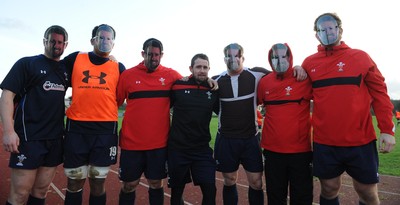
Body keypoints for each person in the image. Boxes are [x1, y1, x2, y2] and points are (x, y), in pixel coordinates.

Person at [301, 12, 396, 205]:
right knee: (329, 188)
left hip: (360, 140)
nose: (327, 32)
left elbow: (380, 94)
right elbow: (298, 93)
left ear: (340, 30)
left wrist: (387, 129)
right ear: (316, 34)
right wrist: (295, 70)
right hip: (325, 141)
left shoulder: (360, 57)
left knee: (366, 191)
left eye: (331, 27)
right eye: (322, 29)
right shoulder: (309, 63)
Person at [116, 38, 218, 205]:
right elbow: (115, 102)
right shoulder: (127, 75)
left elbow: (191, 81)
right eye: (150, 54)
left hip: (158, 145)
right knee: (129, 185)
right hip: (131, 144)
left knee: (156, 184)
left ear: (161, 55)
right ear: (143, 54)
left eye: (157, 55)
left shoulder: (171, 76)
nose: (153, 58)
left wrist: (209, 80)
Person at [212, 43, 307, 205]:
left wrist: (298, 67)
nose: (233, 59)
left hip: (250, 138)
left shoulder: (257, 75)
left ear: (243, 57)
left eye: (236, 56)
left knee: (256, 182)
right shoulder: (215, 81)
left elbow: (282, 74)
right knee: (229, 179)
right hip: (226, 139)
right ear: (224, 58)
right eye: (229, 56)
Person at [0, 25, 68, 205]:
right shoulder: (27, 64)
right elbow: (7, 95)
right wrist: (8, 131)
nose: (56, 45)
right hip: (29, 139)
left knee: (40, 191)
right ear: (45, 41)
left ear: (65, 45)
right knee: (20, 194)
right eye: (52, 41)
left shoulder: (65, 70)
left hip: (54, 139)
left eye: (60, 42)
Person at [62, 24, 126, 205]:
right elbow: (54, 72)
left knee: (98, 180)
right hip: (77, 128)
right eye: (101, 37)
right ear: (92, 40)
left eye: (109, 38)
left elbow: (121, 97)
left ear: (113, 43)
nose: (105, 41)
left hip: (105, 130)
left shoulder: (119, 67)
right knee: (74, 180)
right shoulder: (76, 58)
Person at [257, 43, 313, 205]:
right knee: (275, 196)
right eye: (275, 57)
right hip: (273, 151)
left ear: (290, 57)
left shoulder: (304, 78)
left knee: (301, 196)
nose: (279, 60)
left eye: (283, 56)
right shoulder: (264, 82)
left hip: (301, 151)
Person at [167, 53, 219, 205]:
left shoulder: (213, 89)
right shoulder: (177, 85)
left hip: (202, 150)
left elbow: (224, 111)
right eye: (198, 67)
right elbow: (162, 107)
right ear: (191, 68)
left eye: (205, 67)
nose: (202, 70)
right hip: (178, 149)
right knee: (176, 193)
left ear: (209, 69)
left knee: (210, 190)